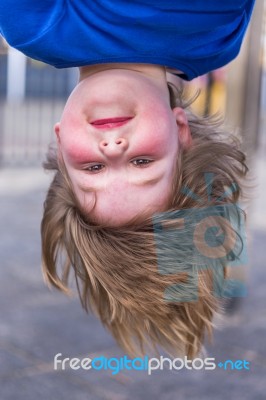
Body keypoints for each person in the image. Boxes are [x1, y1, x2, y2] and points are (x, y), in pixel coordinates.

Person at [0, 0, 255, 358]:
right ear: (181, 131)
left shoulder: (35, 25)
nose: (114, 149)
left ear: (61, 144)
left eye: (93, 169)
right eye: (141, 161)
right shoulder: (216, 38)